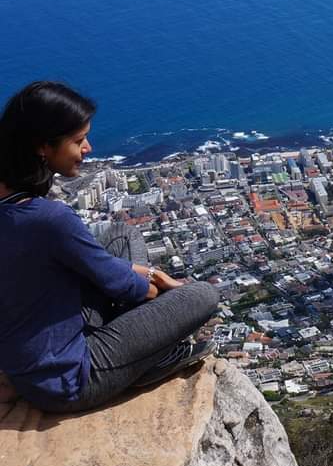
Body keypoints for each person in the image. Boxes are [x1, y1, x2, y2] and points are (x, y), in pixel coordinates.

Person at [0, 81, 220, 413]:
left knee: (121, 235)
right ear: (42, 146)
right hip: (71, 378)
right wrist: (164, 289)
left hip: (33, 356)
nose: (87, 148)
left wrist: (144, 275)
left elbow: (90, 264)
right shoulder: (49, 219)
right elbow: (136, 290)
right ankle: (152, 358)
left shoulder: (11, 202)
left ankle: (142, 349)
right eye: (77, 141)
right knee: (203, 295)